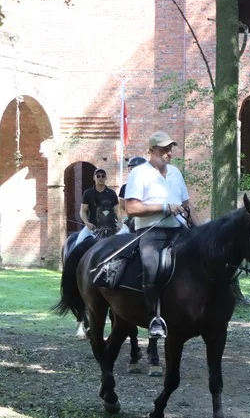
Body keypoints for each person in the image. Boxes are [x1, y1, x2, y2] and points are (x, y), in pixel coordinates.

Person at [123, 131, 195, 338]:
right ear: (152, 150)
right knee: (150, 266)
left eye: (170, 148)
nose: (169, 152)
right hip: (151, 231)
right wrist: (164, 207)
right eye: (164, 149)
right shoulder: (139, 173)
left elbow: (186, 205)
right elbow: (132, 208)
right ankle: (155, 317)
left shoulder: (175, 173)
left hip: (179, 230)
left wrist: (199, 230)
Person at [77, 168, 120, 245]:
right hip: (92, 227)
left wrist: (120, 223)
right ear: (94, 177)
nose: (101, 178)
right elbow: (83, 211)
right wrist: (87, 223)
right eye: (98, 176)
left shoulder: (112, 193)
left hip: (110, 227)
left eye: (103, 176)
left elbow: (117, 211)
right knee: (78, 243)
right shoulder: (88, 193)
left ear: (106, 178)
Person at [118, 156, 149, 233]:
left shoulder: (150, 187)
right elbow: (121, 207)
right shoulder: (125, 188)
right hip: (130, 224)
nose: (132, 172)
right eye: (130, 170)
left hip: (147, 223)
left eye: (134, 169)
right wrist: (125, 220)